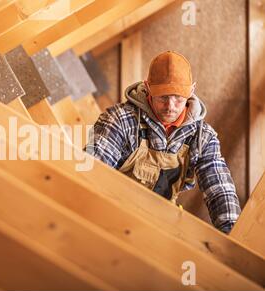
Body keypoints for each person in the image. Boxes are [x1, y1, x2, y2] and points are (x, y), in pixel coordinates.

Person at [85, 51, 240, 233]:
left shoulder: (202, 137)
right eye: (163, 97)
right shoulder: (120, 120)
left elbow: (219, 188)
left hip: (163, 228)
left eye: (178, 98)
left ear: (191, 90)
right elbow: (93, 171)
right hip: (114, 221)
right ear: (148, 87)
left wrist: (231, 235)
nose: (170, 106)